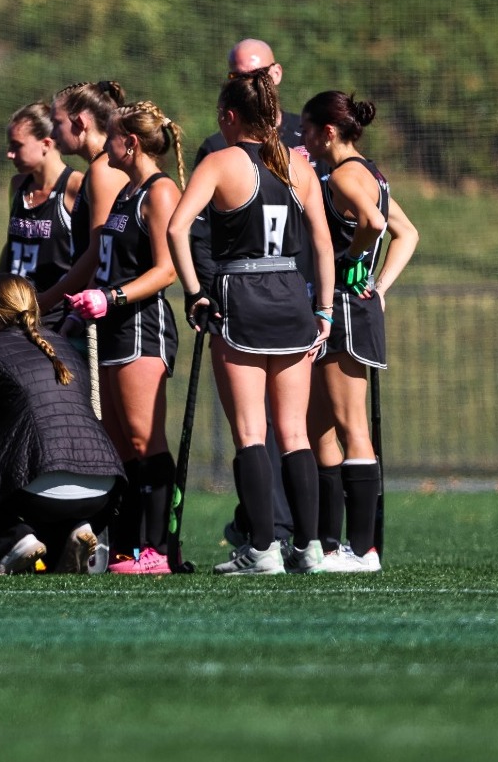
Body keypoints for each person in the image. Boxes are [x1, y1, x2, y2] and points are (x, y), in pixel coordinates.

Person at [168, 70, 335, 575]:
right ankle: (309, 547)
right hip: (292, 298)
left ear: (229, 116)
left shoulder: (220, 162)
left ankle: (262, 549)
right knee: (295, 433)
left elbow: (177, 228)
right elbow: (323, 243)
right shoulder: (298, 165)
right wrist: (325, 310)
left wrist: (195, 293)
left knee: (249, 431)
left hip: (240, 298)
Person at [195, 39, 307, 552]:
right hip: (275, 297)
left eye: (256, 73)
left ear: (276, 73)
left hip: (270, 294)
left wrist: (323, 301)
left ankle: (286, 543)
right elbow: (196, 233)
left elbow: (177, 226)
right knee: (283, 430)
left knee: (264, 431)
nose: (248, 82)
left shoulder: (299, 140)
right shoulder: (225, 151)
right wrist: (205, 291)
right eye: (237, 75)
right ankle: (288, 538)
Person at [66, 102, 185, 574]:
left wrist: (111, 297)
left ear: (130, 143)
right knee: (117, 442)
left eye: (112, 136)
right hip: (113, 325)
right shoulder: (125, 191)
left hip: (141, 325)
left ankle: (158, 549)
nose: (105, 145)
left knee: (143, 438)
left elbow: (167, 270)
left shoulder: (160, 191)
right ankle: (126, 546)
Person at [302, 91, 418, 573]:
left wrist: (353, 262)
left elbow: (375, 223)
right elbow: (407, 233)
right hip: (345, 306)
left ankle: (363, 549)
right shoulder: (371, 173)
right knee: (318, 428)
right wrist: (380, 286)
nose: (303, 138)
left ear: (328, 132)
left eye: (308, 130)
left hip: (345, 310)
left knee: (351, 425)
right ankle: (329, 547)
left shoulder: (345, 176)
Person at [0, 276, 121, 574]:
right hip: (103, 491)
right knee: (29, 478)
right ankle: (71, 532)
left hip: (42, 488)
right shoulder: (65, 346)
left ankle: (8, 542)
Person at [38, 81, 131, 316]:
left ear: (80, 122)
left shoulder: (103, 170)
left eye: (57, 123)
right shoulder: (96, 169)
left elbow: (99, 252)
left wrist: (46, 300)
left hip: (110, 311)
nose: (53, 134)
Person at [0, 101, 82, 299]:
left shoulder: (76, 186)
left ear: (46, 144)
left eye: (17, 145)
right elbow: (11, 246)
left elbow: (91, 255)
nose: (9, 154)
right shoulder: (18, 185)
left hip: (57, 310)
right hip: (18, 307)